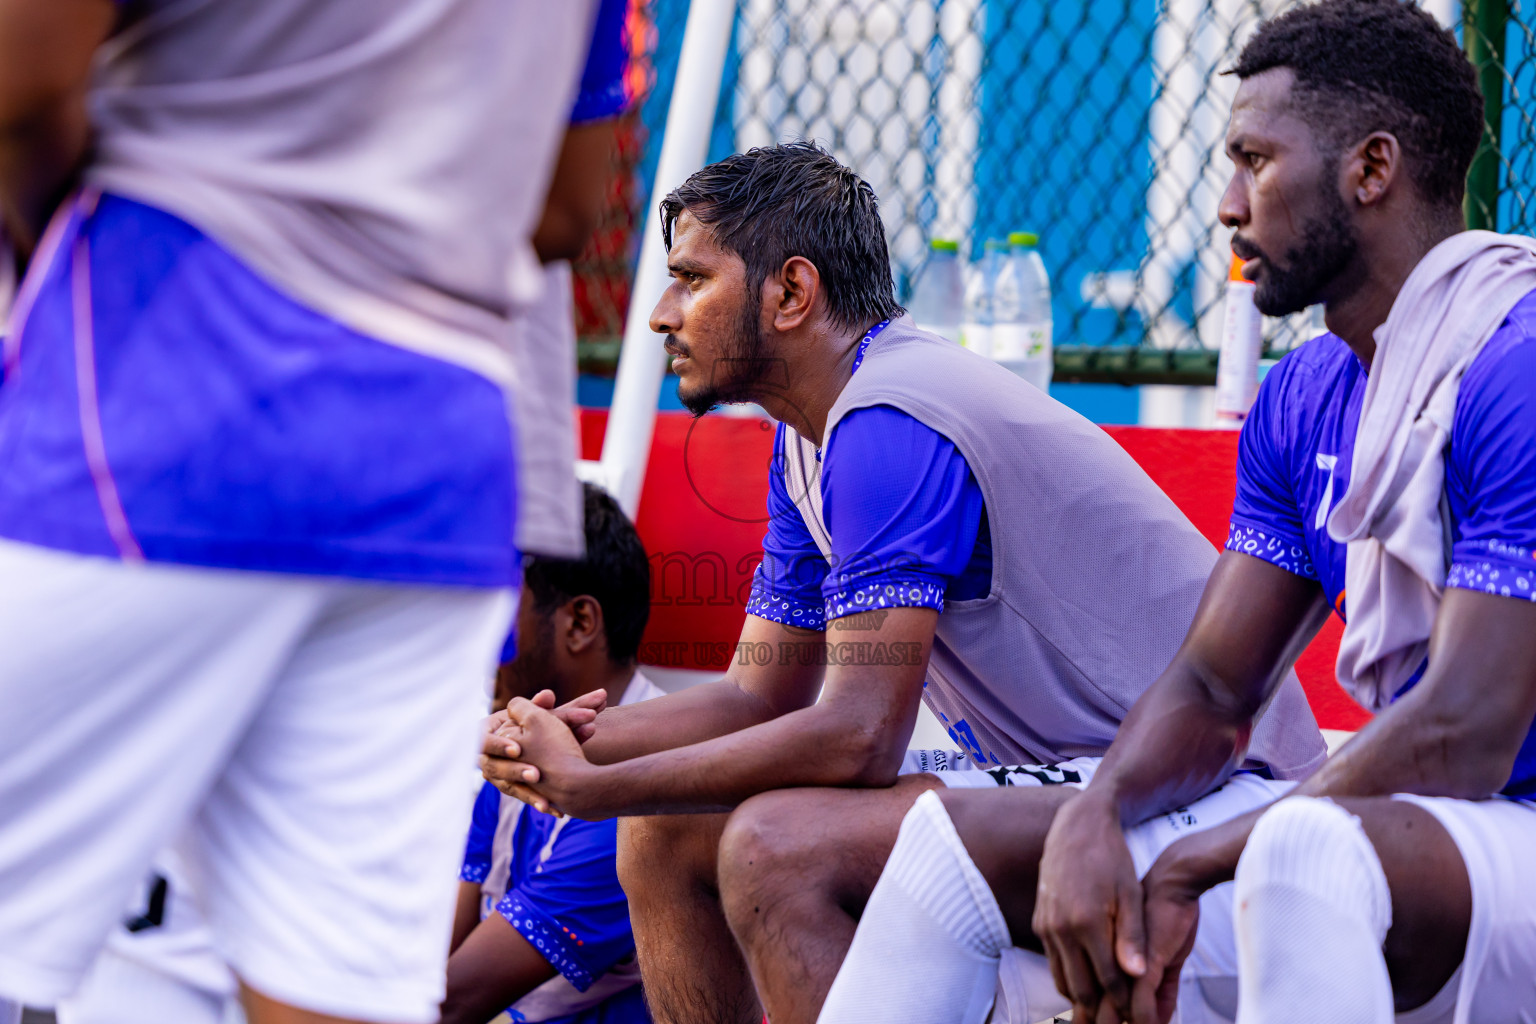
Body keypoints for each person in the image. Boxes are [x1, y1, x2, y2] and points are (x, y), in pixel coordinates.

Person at [479, 141, 1325, 1024]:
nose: (661, 314)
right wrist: (574, 737)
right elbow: (755, 698)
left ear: (791, 293)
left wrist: (597, 787)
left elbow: (860, 739)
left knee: (776, 848)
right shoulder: (811, 436)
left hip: (1220, 797)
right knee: (667, 830)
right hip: (1073, 782)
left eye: (691, 280)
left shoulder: (890, 421)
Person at [822, 2, 1536, 1022]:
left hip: (1497, 827)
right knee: (949, 854)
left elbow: (1468, 725)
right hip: (1420, 837)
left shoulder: (1515, 364)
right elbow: (1212, 685)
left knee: (1303, 854)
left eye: (1256, 162)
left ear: (1371, 169)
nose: (1228, 207)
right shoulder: (1306, 393)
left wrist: (1193, 863)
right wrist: (1098, 812)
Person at [0, 3, 600, 1023]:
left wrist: (65, 241)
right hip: (432, 465)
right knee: (326, 994)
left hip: (160, 390)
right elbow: (564, 200)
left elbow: (22, 75)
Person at [444, 484, 661, 1024]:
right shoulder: (514, 743)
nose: (473, 639)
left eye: (497, 604)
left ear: (580, 622)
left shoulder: (645, 791)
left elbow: (449, 1002)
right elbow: (437, 956)